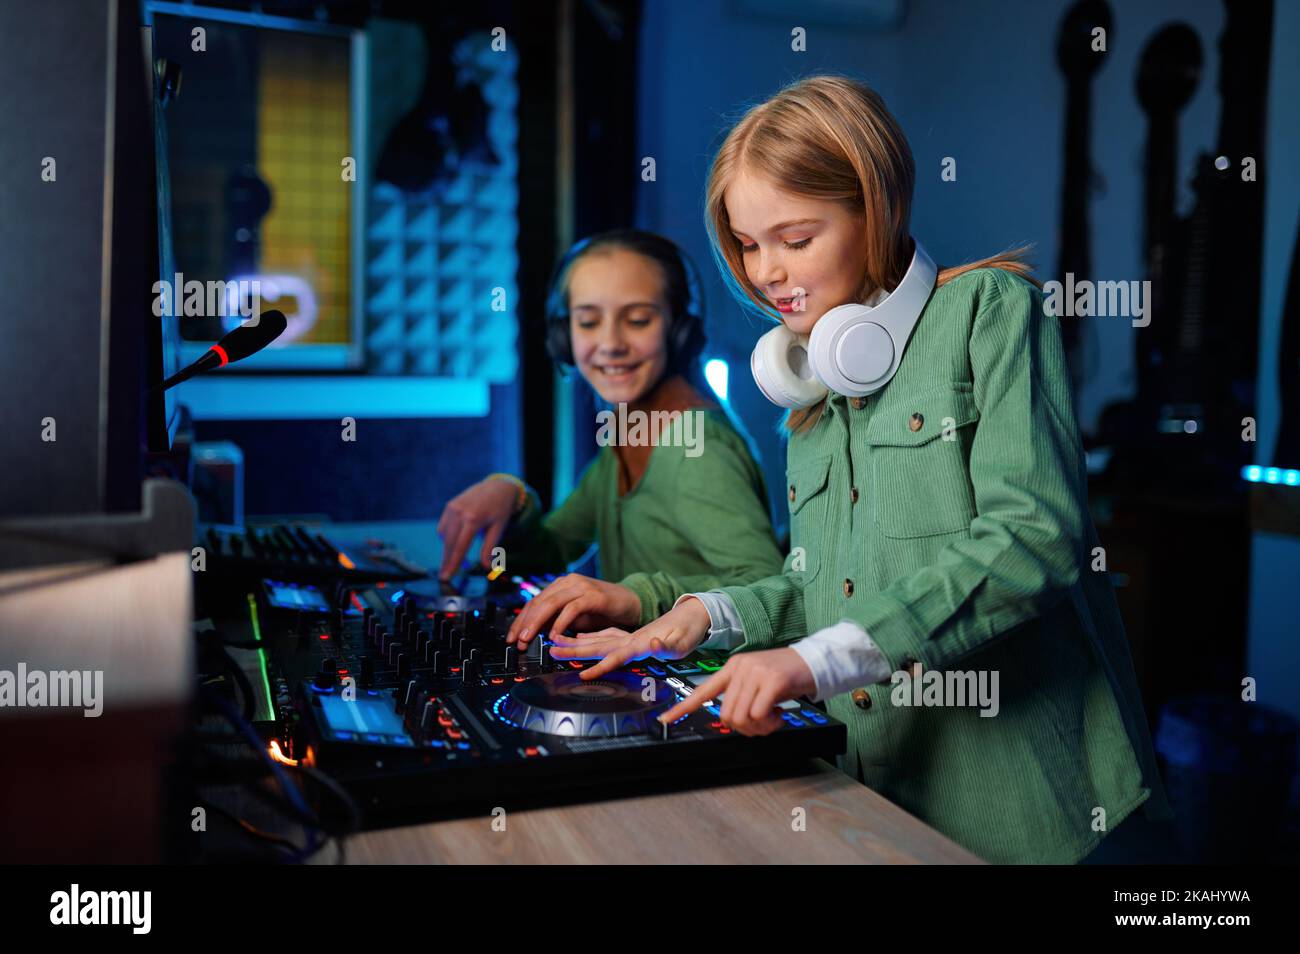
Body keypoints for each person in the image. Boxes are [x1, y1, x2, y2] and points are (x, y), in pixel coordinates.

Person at [549, 76, 1174, 865]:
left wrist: (818, 661)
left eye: (795, 238)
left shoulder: (993, 310)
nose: (766, 272)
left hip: (1047, 825)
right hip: (883, 804)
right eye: (747, 244)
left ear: (874, 209)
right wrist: (704, 615)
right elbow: (829, 586)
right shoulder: (811, 392)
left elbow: (1033, 538)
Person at [436, 229, 784, 642]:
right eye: (587, 321)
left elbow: (766, 589)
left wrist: (635, 599)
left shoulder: (696, 449)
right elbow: (551, 550)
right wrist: (512, 495)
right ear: (565, 335)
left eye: (637, 320)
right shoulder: (628, 429)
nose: (610, 343)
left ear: (678, 329)